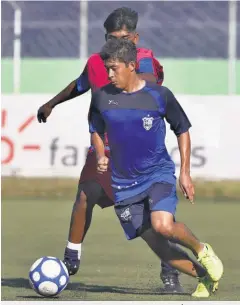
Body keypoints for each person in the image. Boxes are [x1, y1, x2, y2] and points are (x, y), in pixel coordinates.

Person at [37, 7, 183, 294]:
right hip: (105, 142)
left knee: (155, 213)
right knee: (85, 193)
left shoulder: (142, 61)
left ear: (136, 37)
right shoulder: (96, 62)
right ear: (105, 37)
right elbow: (80, 84)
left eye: (126, 38)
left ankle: (171, 270)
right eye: (113, 38)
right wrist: (52, 103)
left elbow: (149, 86)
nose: (120, 43)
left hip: (139, 147)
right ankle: (70, 260)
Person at [88, 37, 224, 298]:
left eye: (113, 68)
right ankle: (205, 278)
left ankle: (202, 250)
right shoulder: (102, 97)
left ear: (131, 66)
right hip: (123, 184)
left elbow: (182, 130)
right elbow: (96, 129)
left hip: (156, 173)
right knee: (161, 248)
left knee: (163, 225)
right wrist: (100, 155)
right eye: (106, 68)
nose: (108, 74)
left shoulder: (159, 95)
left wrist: (185, 172)